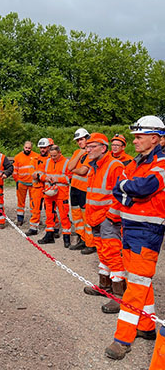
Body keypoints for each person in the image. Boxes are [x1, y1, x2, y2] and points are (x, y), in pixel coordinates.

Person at [105, 115, 165, 360]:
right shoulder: (137, 163)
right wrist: (129, 190)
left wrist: (129, 189)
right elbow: (118, 188)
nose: (135, 141)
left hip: (147, 233)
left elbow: (142, 189)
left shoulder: (161, 164)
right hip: (130, 228)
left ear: (155, 138)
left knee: (135, 286)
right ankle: (147, 327)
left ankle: (123, 339)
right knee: (141, 282)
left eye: (139, 137)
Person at [83, 133, 125, 314]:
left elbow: (122, 195)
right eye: (87, 147)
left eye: (92, 146)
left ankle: (119, 296)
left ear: (103, 148)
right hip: (96, 218)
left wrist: (111, 217)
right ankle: (104, 286)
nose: (88, 149)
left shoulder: (115, 166)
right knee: (102, 253)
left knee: (113, 255)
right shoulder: (94, 167)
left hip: (108, 219)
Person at [37, 145, 72, 248]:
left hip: (61, 194)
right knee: (49, 215)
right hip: (49, 193)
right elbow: (40, 174)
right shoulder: (47, 162)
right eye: (51, 155)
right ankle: (49, 235)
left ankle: (67, 237)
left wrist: (57, 179)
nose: (53, 158)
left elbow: (70, 178)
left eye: (55, 156)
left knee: (64, 216)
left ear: (60, 153)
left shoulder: (66, 163)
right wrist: (45, 177)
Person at [68, 128, 96, 254]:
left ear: (87, 138)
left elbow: (83, 171)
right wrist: (79, 155)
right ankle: (81, 239)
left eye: (81, 139)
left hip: (85, 189)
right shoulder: (77, 152)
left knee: (86, 217)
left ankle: (90, 243)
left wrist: (74, 168)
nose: (80, 142)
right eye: (78, 140)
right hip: (74, 187)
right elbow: (69, 167)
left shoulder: (92, 153)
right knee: (77, 215)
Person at [25, 138, 53, 236]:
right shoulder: (35, 159)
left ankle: (54, 228)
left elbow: (51, 173)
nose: (42, 150)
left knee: (50, 209)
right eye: (41, 148)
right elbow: (32, 173)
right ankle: (33, 228)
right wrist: (42, 176)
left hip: (48, 187)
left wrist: (39, 175)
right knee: (35, 209)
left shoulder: (52, 158)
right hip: (37, 187)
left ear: (48, 147)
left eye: (44, 148)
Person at [12, 141, 38, 226]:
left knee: (33, 202)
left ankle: (34, 218)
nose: (27, 149)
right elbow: (14, 170)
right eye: (26, 147)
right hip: (21, 182)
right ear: (23, 147)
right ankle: (20, 219)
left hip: (32, 183)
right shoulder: (18, 157)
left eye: (29, 148)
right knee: (20, 202)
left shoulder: (36, 156)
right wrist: (17, 180)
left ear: (32, 148)